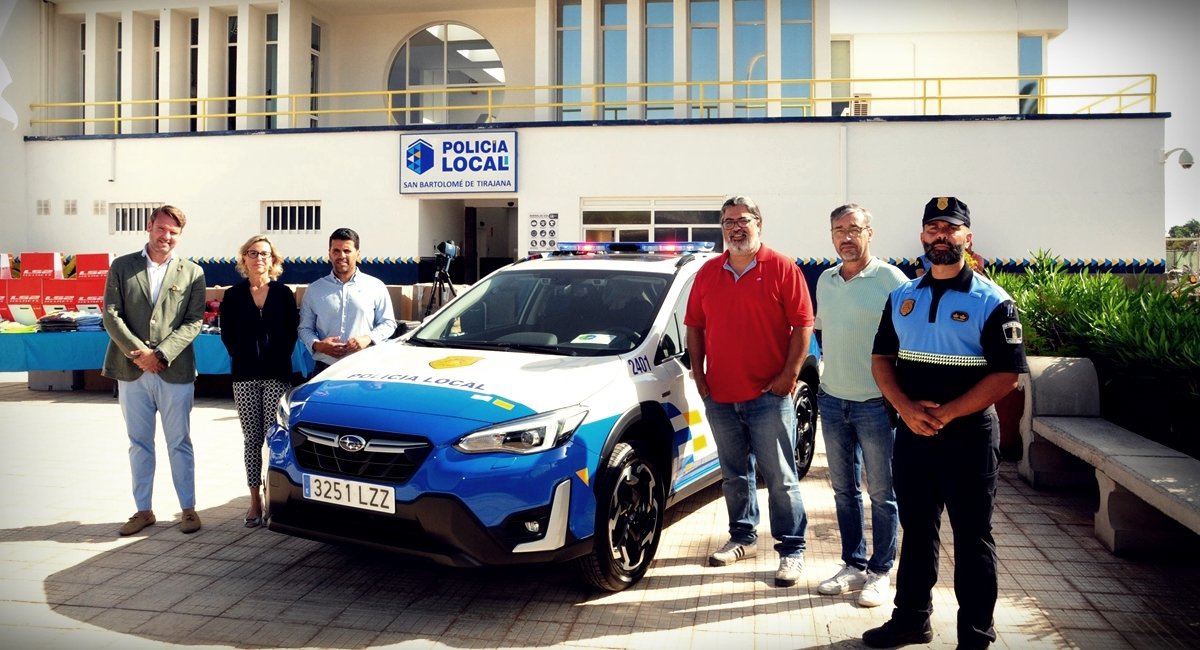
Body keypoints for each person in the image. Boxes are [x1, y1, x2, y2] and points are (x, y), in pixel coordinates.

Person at [864, 197, 1028, 649]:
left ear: (967, 237)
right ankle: (911, 620)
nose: (941, 235)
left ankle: (976, 636)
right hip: (913, 436)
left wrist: (948, 413)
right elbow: (881, 358)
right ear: (922, 236)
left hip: (969, 440)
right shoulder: (902, 297)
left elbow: (1007, 375)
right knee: (916, 530)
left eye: (951, 228)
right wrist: (905, 409)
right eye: (933, 227)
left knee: (973, 536)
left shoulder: (993, 301)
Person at [684, 195, 814, 587]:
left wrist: (789, 376)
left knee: (780, 477)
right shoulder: (708, 273)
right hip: (720, 396)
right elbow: (694, 327)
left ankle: (792, 549)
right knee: (733, 474)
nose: (736, 228)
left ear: (759, 224)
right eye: (728, 222)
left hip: (768, 397)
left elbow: (803, 325)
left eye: (743, 220)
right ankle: (742, 537)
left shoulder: (782, 268)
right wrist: (699, 376)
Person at [814, 204, 908, 607]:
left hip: (875, 405)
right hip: (833, 400)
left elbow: (909, 342)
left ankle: (881, 570)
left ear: (870, 232)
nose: (846, 237)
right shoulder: (825, 280)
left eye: (854, 229)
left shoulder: (893, 280)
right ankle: (852, 564)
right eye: (838, 230)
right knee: (843, 491)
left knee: (882, 492)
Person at [102, 204, 207, 536]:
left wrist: (161, 354)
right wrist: (140, 354)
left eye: (174, 232)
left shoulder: (193, 272)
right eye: (162, 229)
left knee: (180, 442)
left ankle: (188, 509)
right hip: (132, 371)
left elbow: (194, 322)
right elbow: (111, 314)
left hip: (173, 371)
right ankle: (143, 510)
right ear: (149, 227)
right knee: (139, 443)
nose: (167, 237)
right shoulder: (122, 266)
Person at [219, 234, 300, 528]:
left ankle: (275, 497)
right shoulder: (233, 295)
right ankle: (255, 500)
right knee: (252, 440)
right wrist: (246, 357)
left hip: (277, 375)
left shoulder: (283, 294)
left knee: (274, 440)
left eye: (265, 254)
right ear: (244, 259)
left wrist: (274, 359)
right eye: (253, 253)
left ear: (273, 260)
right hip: (245, 376)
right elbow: (227, 335)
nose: (259, 259)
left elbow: (291, 333)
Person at [299, 227, 396, 376]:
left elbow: (388, 323)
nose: (341, 256)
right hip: (325, 368)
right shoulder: (315, 289)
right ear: (329, 253)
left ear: (358, 253)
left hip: (365, 366)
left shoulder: (375, 286)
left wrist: (368, 339)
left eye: (347, 251)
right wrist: (318, 345)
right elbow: (304, 328)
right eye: (336, 251)